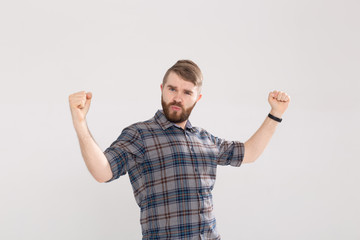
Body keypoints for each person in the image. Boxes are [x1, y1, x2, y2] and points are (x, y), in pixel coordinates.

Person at [68, 60, 290, 240]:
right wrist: (80, 123)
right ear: (162, 89)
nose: (177, 97)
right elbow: (102, 172)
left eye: (187, 92)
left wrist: (276, 114)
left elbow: (249, 153)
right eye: (172, 89)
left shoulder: (205, 139)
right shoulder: (140, 135)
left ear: (197, 98)